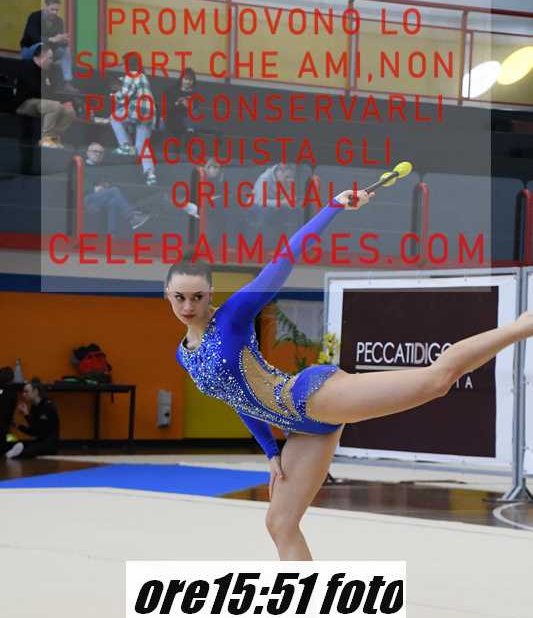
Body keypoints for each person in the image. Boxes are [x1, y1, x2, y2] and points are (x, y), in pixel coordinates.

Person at [166, 189, 533, 561]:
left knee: (435, 381)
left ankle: (521, 326)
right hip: (301, 429)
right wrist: (271, 451)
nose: (188, 306)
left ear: (210, 292)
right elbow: (235, 398)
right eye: (180, 297)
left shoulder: (233, 315)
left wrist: (332, 207)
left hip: (311, 397)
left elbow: (285, 257)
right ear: (168, 294)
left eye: (197, 296)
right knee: (280, 523)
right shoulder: (184, 354)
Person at [14, 43, 76, 148]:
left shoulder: (47, 71)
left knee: (69, 111)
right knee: (54, 106)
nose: (52, 61)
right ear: (41, 57)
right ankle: (46, 139)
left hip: (43, 103)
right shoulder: (26, 67)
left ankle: (53, 138)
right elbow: (34, 90)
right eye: (50, 58)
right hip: (25, 103)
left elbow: (51, 92)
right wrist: (53, 99)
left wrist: (66, 102)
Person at [109, 59, 157, 186]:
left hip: (139, 108)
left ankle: (125, 145)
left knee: (114, 117)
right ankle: (150, 174)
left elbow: (124, 95)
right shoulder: (143, 77)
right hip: (150, 112)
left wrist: (114, 96)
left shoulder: (131, 75)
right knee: (142, 146)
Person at [84, 143, 150, 233]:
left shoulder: (102, 168)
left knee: (113, 201)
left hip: (101, 198)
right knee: (114, 191)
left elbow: (107, 183)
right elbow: (75, 185)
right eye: (95, 151)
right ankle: (132, 217)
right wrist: (94, 189)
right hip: (85, 198)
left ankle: (112, 234)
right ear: (88, 153)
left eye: (101, 152)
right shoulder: (79, 165)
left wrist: (105, 186)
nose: (98, 154)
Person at [20, 0, 78, 93]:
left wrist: (63, 41)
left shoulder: (59, 21)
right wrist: (52, 39)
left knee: (66, 51)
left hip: (49, 50)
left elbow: (56, 42)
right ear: (45, 6)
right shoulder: (35, 16)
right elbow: (33, 37)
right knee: (45, 49)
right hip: (30, 49)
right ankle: (43, 82)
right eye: (52, 9)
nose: (55, 12)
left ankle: (67, 83)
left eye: (57, 10)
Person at [6, 379, 60, 459]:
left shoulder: (48, 406)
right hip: (39, 441)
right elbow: (33, 431)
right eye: (23, 392)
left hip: (49, 444)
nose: (23, 394)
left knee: (29, 451)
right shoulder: (34, 407)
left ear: (35, 392)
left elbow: (39, 429)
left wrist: (26, 414)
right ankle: (13, 453)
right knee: (18, 444)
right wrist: (17, 426)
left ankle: (14, 455)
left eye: (26, 392)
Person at [162, 67, 199, 138]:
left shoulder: (195, 94)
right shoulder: (172, 90)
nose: (188, 82)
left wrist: (189, 106)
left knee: (194, 112)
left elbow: (196, 109)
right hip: (173, 117)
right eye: (186, 79)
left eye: (190, 80)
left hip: (187, 119)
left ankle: (190, 131)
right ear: (181, 79)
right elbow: (166, 107)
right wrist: (177, 103)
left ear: (193, 81)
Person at [0, 367, 18, 457]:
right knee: (7, 435)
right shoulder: (13, 392)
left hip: (3, 422)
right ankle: (14, 445)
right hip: (6, 422)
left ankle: (13, 445)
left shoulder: (1, 390)